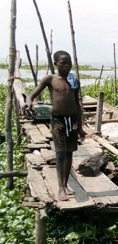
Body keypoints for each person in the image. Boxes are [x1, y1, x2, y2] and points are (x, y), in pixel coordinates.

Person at [24, 50, 86, 201]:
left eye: (69, 62)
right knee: (60, 153)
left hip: (72, 120)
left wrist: (80, 127)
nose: (67, 65)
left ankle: (65, 184)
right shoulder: (50, 79)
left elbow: (77, 103)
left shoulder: (73, 80)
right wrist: (28, 101)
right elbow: (32, 94)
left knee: (70, 152)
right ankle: (60, 188)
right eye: (63, 63)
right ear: (55, 63)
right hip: (58, 120)